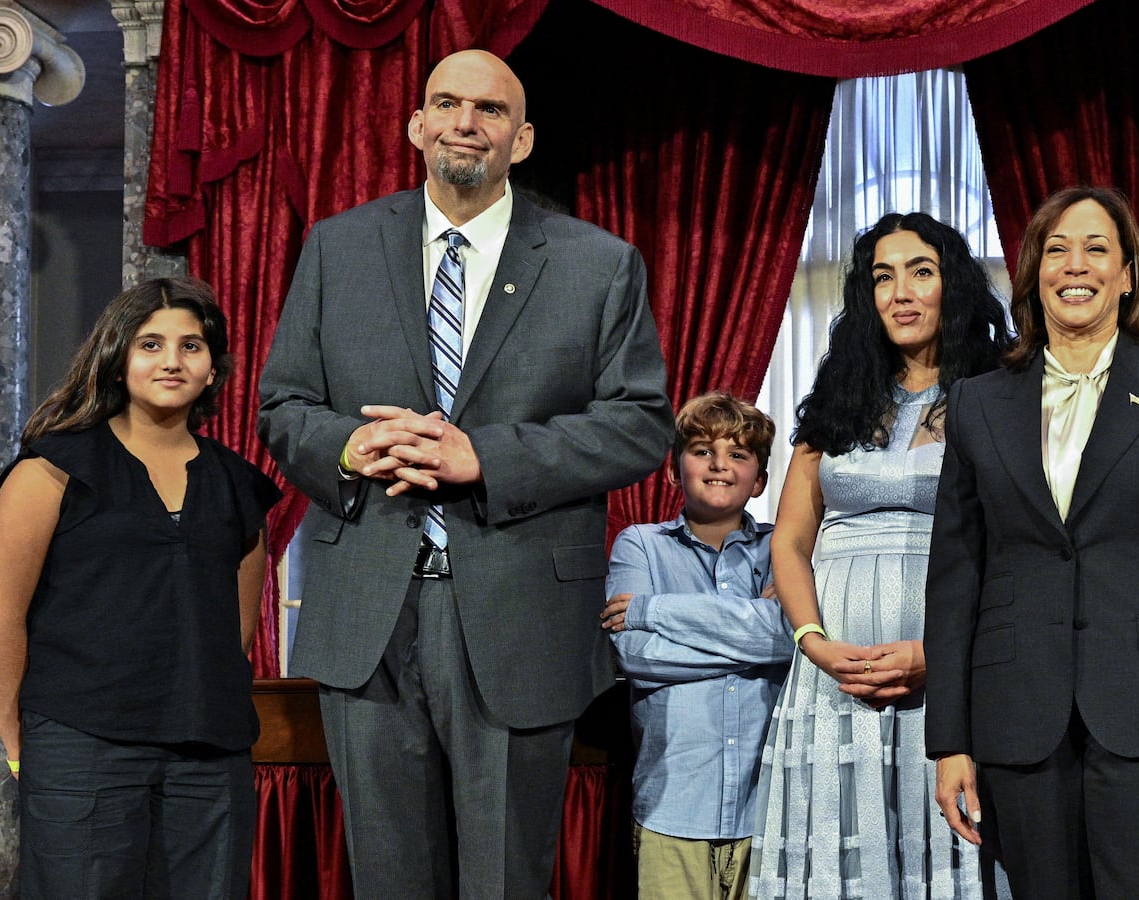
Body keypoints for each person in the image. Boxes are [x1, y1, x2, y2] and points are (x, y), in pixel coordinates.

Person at [256, 50, 672, 898]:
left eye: (489, 110)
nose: (465, 122)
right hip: (367, 615)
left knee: (505, 881)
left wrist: (486, 457)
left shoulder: (598, 263)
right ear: (416, 126)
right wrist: (347, 446)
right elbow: (283, 407)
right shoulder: (338, 248)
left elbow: (640, 426)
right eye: (446, 103)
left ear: (521, 140)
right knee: (389, 880)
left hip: (519, 619)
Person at [924, 185, 1139, 899]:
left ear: (1128, 274)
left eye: (1097, 249)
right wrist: (950, 740)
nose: (1077, 266)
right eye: (1057, 250)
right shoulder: (979, 401)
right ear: (1034, 273)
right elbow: (955, 579)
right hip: (1016, 719)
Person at [0, 276, 280, 899]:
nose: (172, 361)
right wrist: (20, 749)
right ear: (117, 360)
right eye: (150, 344)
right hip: (79, 750)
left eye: (191, 347)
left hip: (210, 756)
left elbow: (235, 631)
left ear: (214, 369)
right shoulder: (50, 471)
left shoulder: (240, 486)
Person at [748, 212, 1010, 898]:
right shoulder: (836, 401)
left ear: (951, 284)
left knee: (952, 842)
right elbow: (791, 539)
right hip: (834, 680)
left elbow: (1017, 548)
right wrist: (812, 641)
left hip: (956, 670)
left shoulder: (1003, 395)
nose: (900, 292)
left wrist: (944, 652)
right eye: (881, 277)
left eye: (920, 272)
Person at [602, 392, 791, 900]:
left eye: (739, 455)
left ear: (761, 481)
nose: (719, 465)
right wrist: (760, 632)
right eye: (703, 450)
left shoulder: (784, 548)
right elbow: (636, 657)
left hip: (769, 812)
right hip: (672, 808)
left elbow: (791, 640)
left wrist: (653, 610)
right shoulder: (639, 544)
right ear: (672, 470)